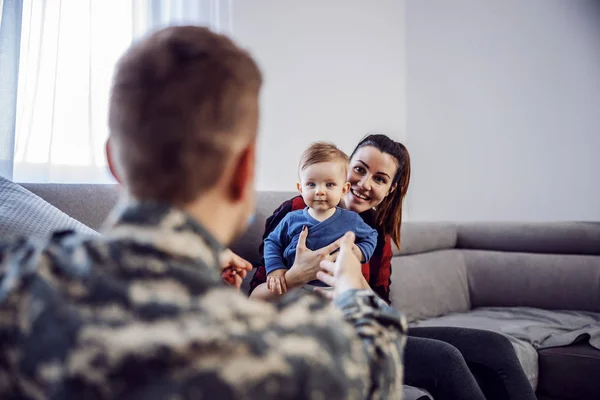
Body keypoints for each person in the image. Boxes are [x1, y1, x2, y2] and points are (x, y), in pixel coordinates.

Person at [0, 26, 407, 399]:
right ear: (243, 169)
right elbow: (378, 366)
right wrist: (352, 283)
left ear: (113, 161)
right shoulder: (293, 347)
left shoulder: (16, 284)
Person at [249, 134, 537, 400]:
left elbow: (378, 309)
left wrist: (351, 287)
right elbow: (254, 301)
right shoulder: (296, 212)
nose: (365, 184)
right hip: (307, 331)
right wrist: (298, 275)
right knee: (444, 358)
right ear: (346, 169)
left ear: (390, 189)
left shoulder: (374, 233)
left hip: (356, 325)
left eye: (380, 178)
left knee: (495, 346)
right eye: (360, 169)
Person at [264, 141, 378, 294]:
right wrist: (276, 268)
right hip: (297, 289)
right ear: (301, 189)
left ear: (344, 189)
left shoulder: (351, 220)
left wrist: (359, 252)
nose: (319, 191)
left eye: (329, 184)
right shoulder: (291, 219)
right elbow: (272, 242)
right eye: (311, 184)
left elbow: (371, 236)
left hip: (336, 289)